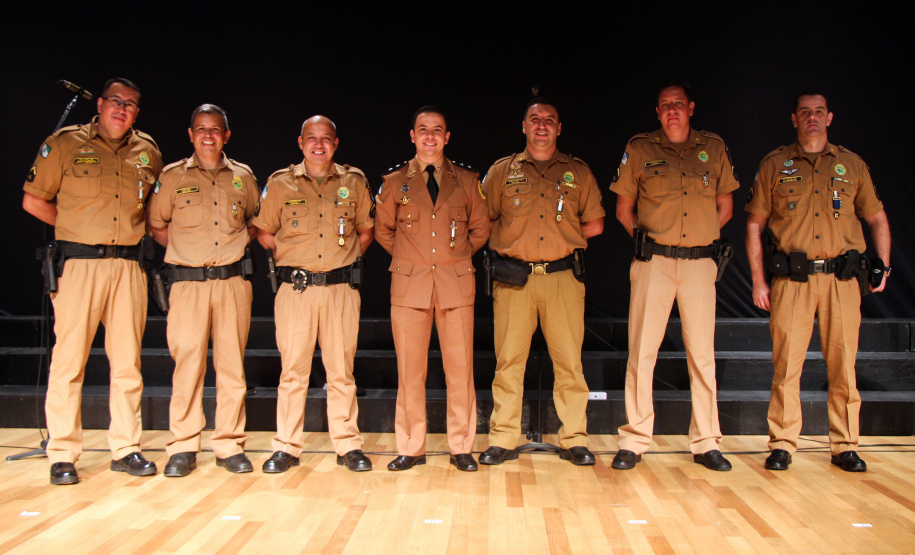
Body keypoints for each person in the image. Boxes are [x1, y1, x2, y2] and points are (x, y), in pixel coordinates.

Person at [22, 78, 163, 485]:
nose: (122, 109)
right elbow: (33, 200)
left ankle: (126, 448)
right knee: (69, 362)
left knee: (127, 364)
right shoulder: (65, 144)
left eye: (131, 105)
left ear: (137, 112)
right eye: (115, 101)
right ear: (100, 104)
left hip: (127, 268)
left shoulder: (148, 151)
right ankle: (63, 453)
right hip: (80, 264)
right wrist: (73, 229)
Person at [746, 92, 891, 472]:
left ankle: (844, 445)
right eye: (805, 112)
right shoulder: (775, 164)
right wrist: (758, 281)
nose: (813, 118)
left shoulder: (851, 165)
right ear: (794, 119)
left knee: (843, 366)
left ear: (829, 118)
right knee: (786, 365)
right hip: (792, 280)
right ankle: (782, 443)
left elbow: (876, 217)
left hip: (841, 281)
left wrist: (883, 266)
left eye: (819, 112)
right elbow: (754, 224)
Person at [609, 82, 739, 472]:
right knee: (642, 353)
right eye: (665, 105)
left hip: (700, 265)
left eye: (678, 104)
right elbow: (623, 209)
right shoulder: (640, 148)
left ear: (691, 108)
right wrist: (656, 243)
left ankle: (706, 442)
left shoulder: (713, 147)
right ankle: (634, 439)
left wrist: (697, 239)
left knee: (702, 356)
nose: (672, 111)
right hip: (655, 264)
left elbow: (726, 206)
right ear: (658, 111)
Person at [479, 92, 605, 466]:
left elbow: (595, 222)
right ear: (524, 126)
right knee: (509, 363)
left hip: (562, 277)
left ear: (559, 128)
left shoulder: (577, 172)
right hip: (514, 280)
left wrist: (562, 238)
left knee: (569, 363)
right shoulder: (502, 171)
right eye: (535, 119)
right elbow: (484, 220)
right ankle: (503, 437)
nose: (542, 125)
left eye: (549, 119)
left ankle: (575, 438)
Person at [252, 115, 374, 472]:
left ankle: (348, 445)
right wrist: (295, 260)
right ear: (300, 142)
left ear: (335, 144)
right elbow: (263, 232)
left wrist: (342, 261)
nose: (318, 145)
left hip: (340, 290)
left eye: (325, 138)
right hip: (297, 290)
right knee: (292, 372)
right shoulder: (280, 184)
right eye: (311, 138)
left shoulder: (354, 181)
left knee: (341, 372)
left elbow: (366, 231)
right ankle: (286, 446)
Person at [147, 104, 260, 477]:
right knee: (187, 367)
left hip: (231, 284)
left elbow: (255, 224)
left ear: (226, 135)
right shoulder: (172, 176)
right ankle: (183, 445)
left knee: (231, 368)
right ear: (191, 134)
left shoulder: (243, 177)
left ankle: (229, 444)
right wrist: (187, 253)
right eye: (201, 129)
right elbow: (157, 225)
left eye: (215, 129)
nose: (208, 135)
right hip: (188, 285)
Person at [375, 106, 490, 472]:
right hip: (411, 288)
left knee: (461, 370)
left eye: (437, 130)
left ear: (447, 136)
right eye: (422, 130)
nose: (429, 136)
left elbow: (480, 229)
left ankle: (461, 446)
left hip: (455, 286)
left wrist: (451, 260)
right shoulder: (395, 182)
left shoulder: (468, 180)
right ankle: (411, 446)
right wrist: (415, 260)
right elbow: (383, 231)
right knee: (410, 371)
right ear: (412, 136)